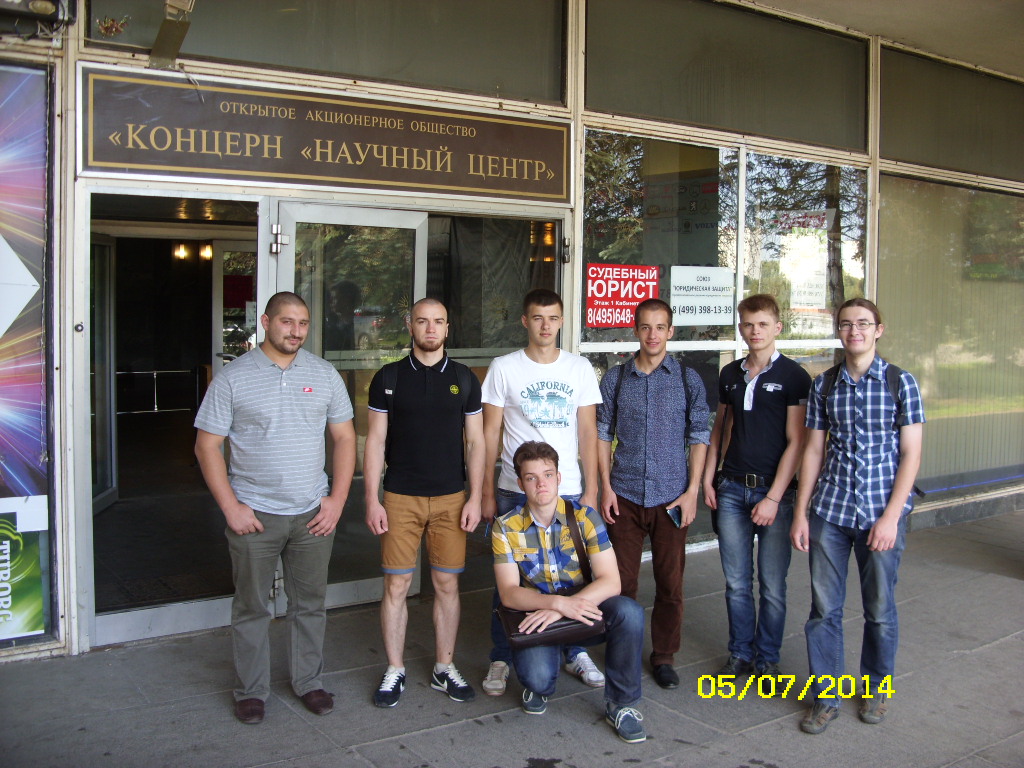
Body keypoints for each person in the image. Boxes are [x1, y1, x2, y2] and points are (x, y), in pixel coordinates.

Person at [194, 291, 357, 725]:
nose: (296, 331)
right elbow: (207, 446)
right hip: (255, 516)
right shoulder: (233, 378)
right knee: (252, 608)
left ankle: (309, 681)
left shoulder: (324, 374)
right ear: (265, 322)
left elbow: (345, 438)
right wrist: (231, 507)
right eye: (287, 321)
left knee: (310, 604)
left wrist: (337, 501)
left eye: (303, 323)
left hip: (312, 514)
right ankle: (251, 691)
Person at [791, 298, 925, 735]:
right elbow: (813, 450)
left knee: (880, 609)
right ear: (839, 331)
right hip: (830, 511)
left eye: (864, 324)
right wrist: (801, 513)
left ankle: (876, 689)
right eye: (847, 324)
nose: (855, 331)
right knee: (823, 611)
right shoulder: (824, 385)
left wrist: (891, 517)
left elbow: (911, 454)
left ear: (878, 330)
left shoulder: (900, 382)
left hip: (880, 514)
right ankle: (826, 696)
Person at [479, 289, 606, 696]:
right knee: (511, 582)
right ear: (525, 321)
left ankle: (574, 649)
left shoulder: (579, 368)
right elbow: (489, 434)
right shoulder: (504, 368)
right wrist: (484, 491)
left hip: (566, 492)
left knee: (571, 575)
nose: (545, 325)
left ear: (562, 321)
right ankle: (502, 655)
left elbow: (588, 432)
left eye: (552, 318)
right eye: (537, 317)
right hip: (515, 491)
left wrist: (591, 489)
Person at [364, 298, 485, 707]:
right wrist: (372, 499)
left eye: (438, 322)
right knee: (396, 584)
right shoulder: (388, 377)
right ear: (410, 326)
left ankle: (443, 667)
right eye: (422, 321)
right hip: (400, 497)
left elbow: (476, 442)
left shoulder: (465, 379)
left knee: (447, 584)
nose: (430, 329)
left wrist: (475, 497)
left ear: (448, 328)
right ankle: (394, 669)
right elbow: (375, 441)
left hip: (452, 498)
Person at [493, 441, 647, 743]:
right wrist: (556, 605)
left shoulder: (585, 517)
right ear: (521, 483)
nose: (541, 484)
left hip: (584, 608)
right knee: (538, 681)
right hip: (540, 615)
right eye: (531, 477)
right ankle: (540, 678)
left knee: (629, 612)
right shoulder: (506, 527)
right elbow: (509, 593)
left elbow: (611, 581)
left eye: (548, 475)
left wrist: (568, 605)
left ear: (559, 478)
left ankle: (622, 705)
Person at [596, 298, 710, 690]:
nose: (653, 335)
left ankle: (664, 656)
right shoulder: (616, 379)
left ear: (671, 331)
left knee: (670, 584)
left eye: (660, 327)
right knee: (621, 585)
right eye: (646, 327)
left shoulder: (687, 379)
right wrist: (605, 487)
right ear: (635, 330)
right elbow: (602, 433)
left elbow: (699, 435)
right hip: (624, 496)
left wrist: (693, 491)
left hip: (672, 498)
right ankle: (623, 651)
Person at [702, 294, 811, 678]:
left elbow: (798, 443)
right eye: (748, 324)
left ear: (777, 327)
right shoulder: (730, 373)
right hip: (731, 489)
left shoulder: (794, 376)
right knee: (736, 583)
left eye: (763, 324)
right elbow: (720, 429)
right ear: (740, 327)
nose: (755, 331)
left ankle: (767, 659)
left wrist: (773, 498)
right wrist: (709, 478)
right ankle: (740, 654)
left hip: (774, 495)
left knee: (772, 585)